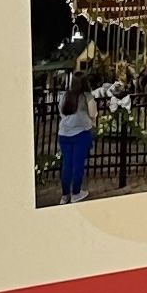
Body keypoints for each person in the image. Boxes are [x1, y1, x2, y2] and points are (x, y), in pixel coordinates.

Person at [53, 51, 102, 203]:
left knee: (67, 164)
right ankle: (75, 193)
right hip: (81, 133)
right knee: (78, 163)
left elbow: (61, 112)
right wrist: (91, 119)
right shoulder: (87, 96)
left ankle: (64, 195)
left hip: (64, 133)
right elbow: (93, 113)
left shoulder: (66, 95)